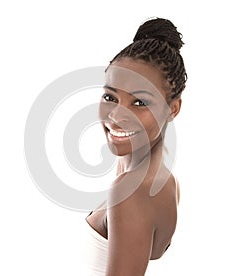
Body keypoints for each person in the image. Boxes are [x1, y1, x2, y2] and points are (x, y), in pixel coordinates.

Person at [84, 17, 187, 275]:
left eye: (140, 102)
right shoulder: (164, 180)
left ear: (173, 108)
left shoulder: (130, 194)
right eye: (110, 97)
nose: (117, 116)